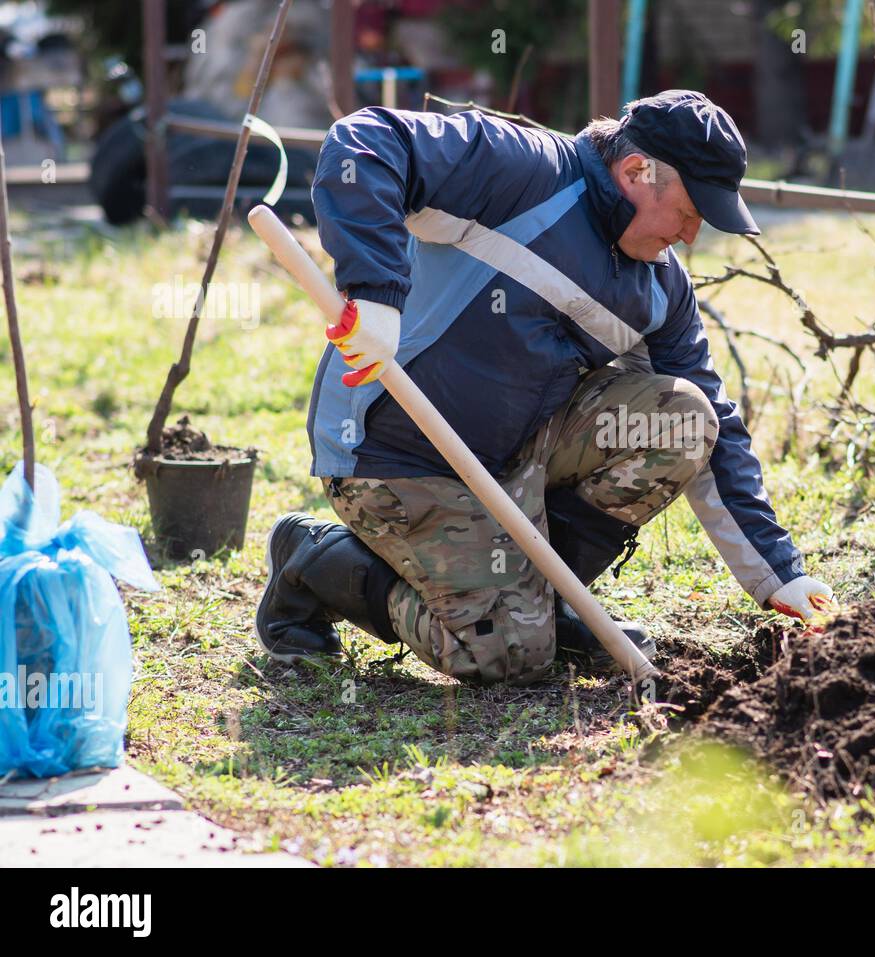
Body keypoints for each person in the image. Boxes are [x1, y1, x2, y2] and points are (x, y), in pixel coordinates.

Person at [256, 90, 836, 685]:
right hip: (394, 452)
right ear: (638, 172)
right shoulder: (520, 172)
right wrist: (375, 294)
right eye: (689, 213)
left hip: (515, 457)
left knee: (683, 419)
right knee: (505, 655)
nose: (690, 237)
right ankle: (313, 559)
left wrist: (778, 575)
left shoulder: (659, 288)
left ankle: (543, 602)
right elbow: (367, 140)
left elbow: (710, 416)